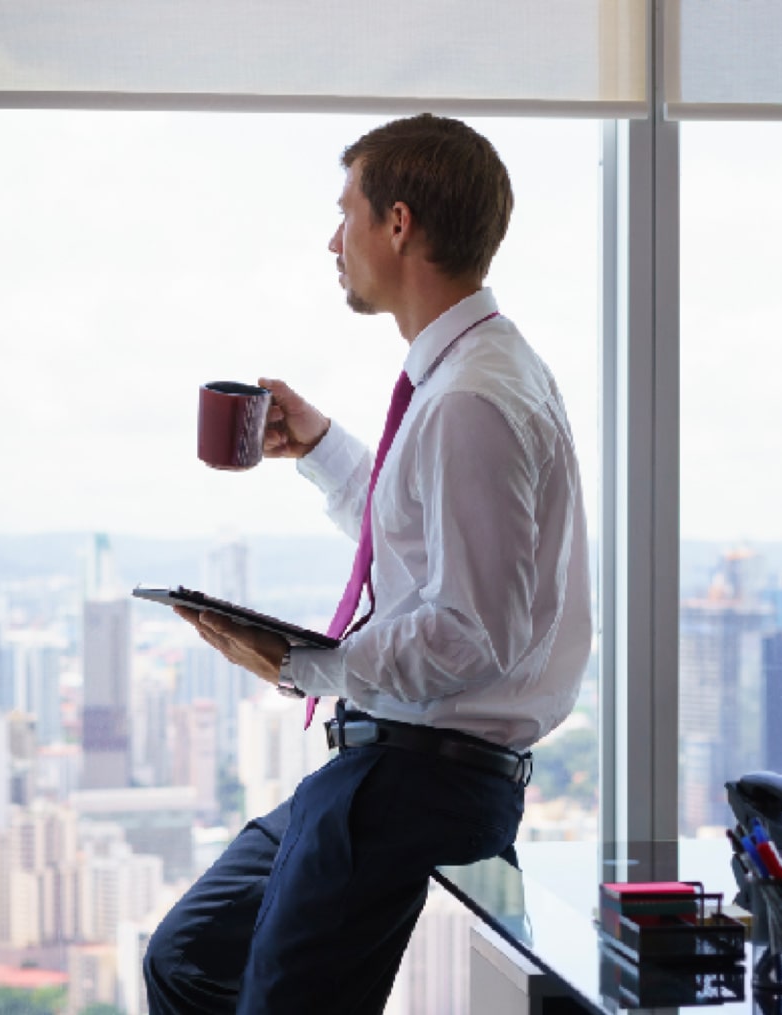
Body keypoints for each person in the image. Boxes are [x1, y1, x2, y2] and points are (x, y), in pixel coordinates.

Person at [144, 114, 592, 1014]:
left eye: (344, 212)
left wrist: (298, 661)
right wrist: (318, 446)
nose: (331, 239)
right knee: (188, 957)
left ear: (397, 223)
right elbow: (418, 548)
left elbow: (474, 631)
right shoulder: (467, 375)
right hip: (382, 762)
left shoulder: (474, 399)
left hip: (420, 775)